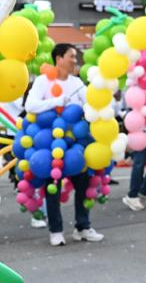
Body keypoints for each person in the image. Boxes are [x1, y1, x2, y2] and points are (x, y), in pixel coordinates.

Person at [24, 43, 102, 246]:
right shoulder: (43, 81)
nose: (75, 61)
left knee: (84, 182)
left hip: (75, 140)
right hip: (49, 141)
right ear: (59, 59)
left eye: (75, 57)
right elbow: (30, 105)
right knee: (53, 185)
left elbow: (89, 103)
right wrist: (57, 101)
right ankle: (56, 230)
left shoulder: (76, 82)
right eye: (71, 56)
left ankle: (83, 227)